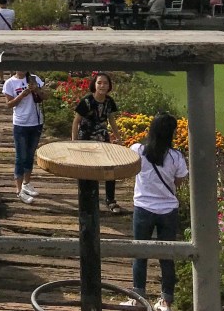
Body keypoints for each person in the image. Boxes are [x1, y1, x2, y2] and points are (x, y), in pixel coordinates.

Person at [131, 114, 188, 311]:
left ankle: (138, 297)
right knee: (167, 256)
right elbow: (179, 181)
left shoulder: (138, 150)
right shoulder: (176, 157)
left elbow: (129, 169)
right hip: (168, 210)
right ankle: (166, 301)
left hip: (143, 207)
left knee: (140, 254)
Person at [71, 73, 124, 214]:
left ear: (109, 86)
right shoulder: (86, 101)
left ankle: (110, 199)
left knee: (109, 168)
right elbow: (76, 122)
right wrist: (74, 142)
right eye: (99, 83)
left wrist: (118, 138)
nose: (102, 86)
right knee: (86, 170)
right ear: (94, 84)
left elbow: (111, 120)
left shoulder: (109, 102)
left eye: (105, 83)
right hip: (86, 140)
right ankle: (86, 198)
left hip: (103, 139)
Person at [3, 70, 46, 204]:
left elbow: (45, 96)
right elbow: (9, 104)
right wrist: (22, 95)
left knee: (30, 155)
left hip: (36, 122)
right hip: (21, 124)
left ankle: (26, 183)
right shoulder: (10, 83)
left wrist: (37, 89)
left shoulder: (34, 78)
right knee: (20, 157)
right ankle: (18, 190)